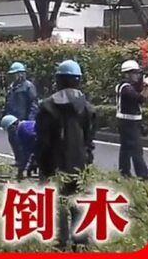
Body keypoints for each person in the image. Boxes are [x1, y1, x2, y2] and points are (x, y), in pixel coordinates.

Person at [35, 60, 97, 249]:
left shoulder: (46, 107)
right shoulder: (88, 108)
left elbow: (43, 141)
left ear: (58, 80)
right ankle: (81, 243)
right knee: (78, 201)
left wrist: (41, 165)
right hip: (80, 165)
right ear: (78, 80)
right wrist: (87, 161)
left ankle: (60, 244)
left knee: (57, 204)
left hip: (54, 165)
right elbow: (89, 141)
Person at [115, 60, 148, 180]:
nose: (137, 75)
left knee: (125, 148)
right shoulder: (126, 89)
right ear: (127, 74)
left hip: (125, 121)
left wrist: (142, 84)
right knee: (136, 150)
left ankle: (124, 172)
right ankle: (143, 176)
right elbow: (141, 99)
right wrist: (147, 86)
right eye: (134, 73)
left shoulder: (123, 86)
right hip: (129, 123)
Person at [3, 61, 39, 164]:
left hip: (23, 119)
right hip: (12, 119)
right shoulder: (12, 86)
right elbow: (7, 102)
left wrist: (30, 120)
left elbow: (33, 104)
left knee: (24, 142)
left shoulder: (28, 86)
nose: (13, 76)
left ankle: (26, 162)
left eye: (15, 74)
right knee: (13, 139)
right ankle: (18, 160)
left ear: (21, 74)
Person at [1, 115, 37, 180]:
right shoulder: (25, 124)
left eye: (9, 131)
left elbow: (26, 154)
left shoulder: (24, 132)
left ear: (13, 126)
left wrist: (20, 171)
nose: (10, 134)